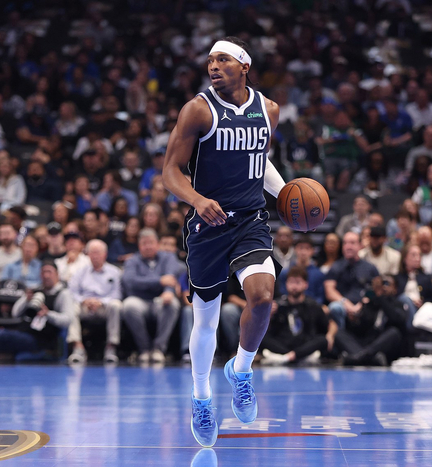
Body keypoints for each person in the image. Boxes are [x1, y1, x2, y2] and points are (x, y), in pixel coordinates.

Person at [162, 37, 286, 447]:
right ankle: (201, 398)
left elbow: (257, 160)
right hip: (208, 225)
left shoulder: (268, 110)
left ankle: (242, 369)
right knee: (206, 321)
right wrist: (197, 200)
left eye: (223, 59)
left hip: (250, 219)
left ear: (244, 66)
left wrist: (286, 194)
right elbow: (171, 171)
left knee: (262, 298)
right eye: (210, 60)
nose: (213, 66)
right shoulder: (198, 110)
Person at [121, 228, 182, 363]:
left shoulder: (168, 257)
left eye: (151, 242)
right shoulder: (132, 261)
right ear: (139, 246)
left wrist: (168, 291)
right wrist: (159, 281)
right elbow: (130, 281)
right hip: (139, 299)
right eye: (144, 243)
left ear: (158, 244)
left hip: (160, 299)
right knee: (129, 305)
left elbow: (171, 278)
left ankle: (158, 349)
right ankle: (144, 349)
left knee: (172, 303)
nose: (148, 246)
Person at [260, 266, 333, 365]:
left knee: (323, 340)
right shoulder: (278, 305)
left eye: (298, 282)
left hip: (304, 344)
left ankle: (288, 357)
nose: (294, 286)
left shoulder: (313, 305)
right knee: (260, 337)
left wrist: (330, 335)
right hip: (283, 345)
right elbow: (267, 330)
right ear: (286, 284)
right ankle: (294, 357)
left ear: (306, 284)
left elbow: (329, 324)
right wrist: (269, 315)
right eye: (291, 282)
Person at [67, 239, 122, 364]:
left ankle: (111, 347)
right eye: (92, 252)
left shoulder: (114, 272)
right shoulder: (80, 272)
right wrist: (84, 300)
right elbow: (72, 292)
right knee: (71, 306)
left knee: (116, 305)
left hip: (104, 306)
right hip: (85, 306)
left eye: (98, 252)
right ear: (88, 254)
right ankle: (78, 347)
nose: (95, 256)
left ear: (105, 254)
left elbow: (117, 294)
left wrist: (101, 302)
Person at [334, 275, 406, 366]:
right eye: (382, 284)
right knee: (338, 332)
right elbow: (361, 328)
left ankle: (360, 357)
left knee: (394, 332)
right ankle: (366, 358)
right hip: (367, 343)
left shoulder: (398, 304)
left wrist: (380, 297)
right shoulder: (370, 303)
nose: (383, 287)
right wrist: (354, 318)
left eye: (387, 284)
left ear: (395, 288)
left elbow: (397, 319)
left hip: (384, 345)